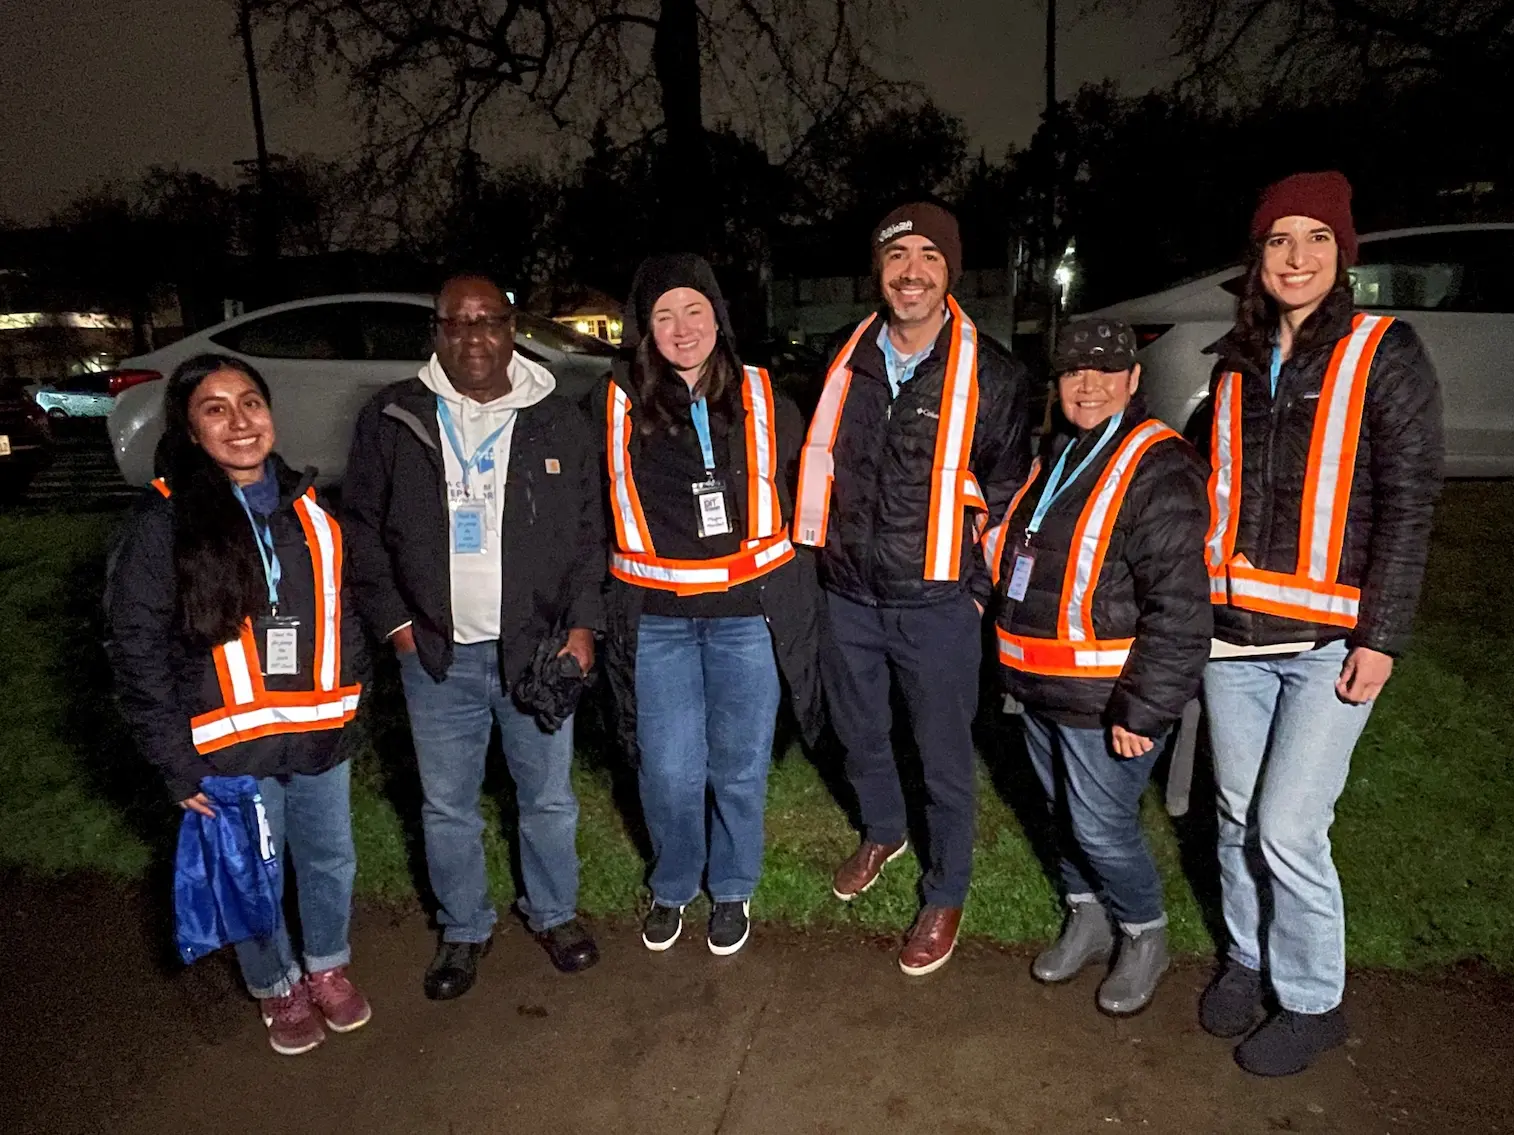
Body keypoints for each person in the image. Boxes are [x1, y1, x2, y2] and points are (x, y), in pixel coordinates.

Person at [1198, 172, 1444, 1075]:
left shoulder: (1387, 350)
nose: (1296, 257)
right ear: (1256, 258)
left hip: (1331, 642)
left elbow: (1411, 501)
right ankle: (1248, 956)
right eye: (1277, 240)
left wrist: (1383, 634)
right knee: (1231, 815)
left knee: (1287, 826)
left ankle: (1312, 999)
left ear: (1342, 255)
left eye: (1315, 239)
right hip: (1231, 639)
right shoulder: (1232, 363)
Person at [343, 275, 607, 1000]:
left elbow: (591, 533)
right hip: (435, 654)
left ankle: (554, 912)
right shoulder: (393, 415)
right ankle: (464, 927)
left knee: (547, 797)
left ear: (511, 326)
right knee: (447, 804)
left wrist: (583, 626)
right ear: (435, 331)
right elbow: (360, 528)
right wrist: (397, 624)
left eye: (486, 320)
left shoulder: (558, 418)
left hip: (537, 648)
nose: (472, 337)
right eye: (454, 323)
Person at [105, 354, 371, 1056]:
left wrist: (352, 708)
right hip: (228, 749)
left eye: (250, 402)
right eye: (215, 409)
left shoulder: (311, 506)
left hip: (318, 739)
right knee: (252, 869)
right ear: (190, 431)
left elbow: (346, 615)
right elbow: (135, 648)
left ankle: (327, 964)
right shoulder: (165, 521)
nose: (239, 421)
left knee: (329, 859)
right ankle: (276, 983)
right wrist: (175, 761)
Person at [795, 202, 1031, 975]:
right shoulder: (845, 354)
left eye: (930, 255)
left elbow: (1006, 488)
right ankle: (884, 829)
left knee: (941, 752)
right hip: (848, 592)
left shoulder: (994, 372)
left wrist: (973, 589)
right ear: (879, 270)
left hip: (935, 601)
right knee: (859, 732)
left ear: (949, 270)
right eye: (898, 255)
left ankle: (946, 888)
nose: (912, 271)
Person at [595, 254, 823, 955]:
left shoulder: (766, 395)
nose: (681, 327)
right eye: (663, 315)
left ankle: (732, 887)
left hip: (744, 619)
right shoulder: (613, 400)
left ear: (718, 317)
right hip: (658, 618)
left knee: (739, 765)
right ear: (644, 329)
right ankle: (672, 884)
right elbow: (584, 509)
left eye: (694, 310)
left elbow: (810, 495)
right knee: (667, 767)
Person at [988, 318, 1211, 1015]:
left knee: (1100, 825)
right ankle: (1086, 915)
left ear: (1134, 379)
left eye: (1105, 370)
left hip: (1107, 697)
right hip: (1041, 684)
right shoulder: (1063, 453)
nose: (1088, 383)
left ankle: (1144, 931)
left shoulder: (1158, 463)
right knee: (1061, 815)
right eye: (1073, 371)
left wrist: (1147, 708)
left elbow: (1180, 604)